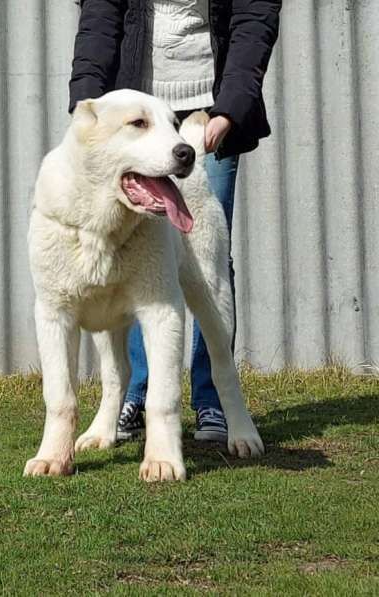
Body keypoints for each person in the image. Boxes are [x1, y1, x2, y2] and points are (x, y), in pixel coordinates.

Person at [68, 0, 281, 444]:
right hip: (138, 116)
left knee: (206, 262)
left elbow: (253, 18)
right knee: (130, 256)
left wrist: (229, 111)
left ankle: (211, 402)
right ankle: (135, 396)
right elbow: (100, 19)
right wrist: (84, 104)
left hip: (207, 114)